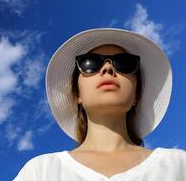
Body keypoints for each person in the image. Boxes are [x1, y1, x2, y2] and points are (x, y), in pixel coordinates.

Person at [12, 28, 186, 181]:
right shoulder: (39, 172)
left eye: (124, 63)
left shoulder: (178, 165)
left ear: (136, 96)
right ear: (77, 94)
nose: (108, 69)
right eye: (90, 62)